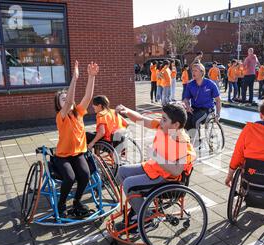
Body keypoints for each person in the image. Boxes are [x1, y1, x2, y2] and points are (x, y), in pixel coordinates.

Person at [113, 103, 196, 232]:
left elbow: (176, 170)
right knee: (122, 171)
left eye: (164, 119)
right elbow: (141, 119)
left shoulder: (181, 141)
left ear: (176, 125)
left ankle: (147, 218)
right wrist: (127, 110)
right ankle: (137, 205)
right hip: (154, 168)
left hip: (167, 179)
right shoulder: (164, 127)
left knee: (129, 184)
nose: (160, 121)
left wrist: (156, 156)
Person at [53, 60, 99, 217]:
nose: (66, 100)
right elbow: (69, 101)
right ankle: (61, 203)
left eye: (67, 97)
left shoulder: (78, 112)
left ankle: (77, 201)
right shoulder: (61, 116)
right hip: (62, 156)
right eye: (62, 99)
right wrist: (74, 78)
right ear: (59, 105)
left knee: (85, 175)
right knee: (70, 178)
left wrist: (91, 77)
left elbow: (88, 96)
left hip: (78, 153)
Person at [182, 63, 221, 143]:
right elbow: (185, 99)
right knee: (185, 119)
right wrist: (187, 106)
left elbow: (218, 100)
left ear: (202, 72)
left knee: (196, 120)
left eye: (195, 71)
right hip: (194, 108)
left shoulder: (210, 84)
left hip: (207, 110)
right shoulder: (190, 84)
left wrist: (218, 114)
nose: (193, 73)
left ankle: (196, 142)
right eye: (192, 70)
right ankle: (189, 140)